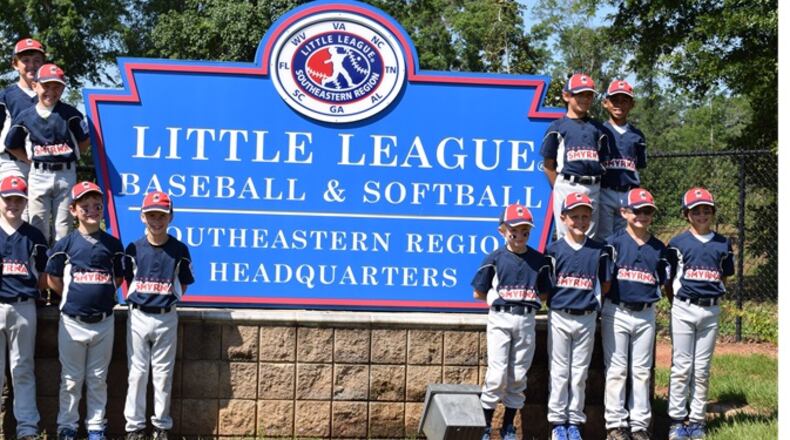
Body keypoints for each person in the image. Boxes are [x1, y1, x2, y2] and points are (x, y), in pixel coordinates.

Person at [46, 181, 124, 440]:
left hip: (104, 321)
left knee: (98, 379)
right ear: (73, 210)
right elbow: (52, 279)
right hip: (72, 321)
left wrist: (101, 296)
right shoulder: (65, 245)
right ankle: (67, 426)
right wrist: (73, 297)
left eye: (96, 205)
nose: (92, 210)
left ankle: (95, 427)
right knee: (70, 379)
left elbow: (119, 277)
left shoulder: (113, 245)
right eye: (85, 206)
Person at [471, 203, 552, 440]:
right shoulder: (495, 258)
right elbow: (479, 292)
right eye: (514, 230)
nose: (519, 235)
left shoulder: (539, 260)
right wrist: (498, 300)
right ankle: (485, 425)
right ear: (502, 230)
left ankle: (508, 425)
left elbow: (545, 293)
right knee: (496, 375)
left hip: (526, 318)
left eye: (524, 230)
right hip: (501, 317)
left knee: (518, 375)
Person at [665, 188, 734, 440]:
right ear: (686, 214)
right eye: (696, 211)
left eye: (706, 210)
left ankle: (696, 420)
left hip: (710, 309)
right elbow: (668, 280)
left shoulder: (723, 243)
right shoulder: (678, 243)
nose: (702, 215)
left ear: (713, 213)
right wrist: (677, 303)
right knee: (682, 366)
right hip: (684, 307)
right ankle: (676, 420)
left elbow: (723, 275)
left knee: (702, 368)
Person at [124, 191, 194, 440]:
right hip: (139, 314)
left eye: (162, 215)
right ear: (143, 217)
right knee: (137, 373)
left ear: (170, 217)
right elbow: (128, 280)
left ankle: (161, 426)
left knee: (163, 374)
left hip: (166, 315)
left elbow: (182, 284)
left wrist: (167, 299)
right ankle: (135, 427)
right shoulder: (133, 248)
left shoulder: (179, 250)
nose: (157, 220)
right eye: (152, 215)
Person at [602, 189, 670, 440]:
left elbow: (663, 281)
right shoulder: (614, 243)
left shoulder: (658, 247)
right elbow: (605, 281)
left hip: (645, 313)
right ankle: (615, 424)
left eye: (647, 211)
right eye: (637, 210)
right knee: (617, 369)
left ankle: (640, 425)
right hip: (617, 310)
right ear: (624, 212)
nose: (642, 215)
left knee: (642, 370)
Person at [545, 192, 613, 440]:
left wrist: (592, 305)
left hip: (585, 316)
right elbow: (547, 286)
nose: (580, 221)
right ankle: (557, 422)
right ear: (563, 218)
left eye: (585, 216)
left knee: (579, 372)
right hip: (560, 315)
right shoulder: (553, 250)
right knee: (560, 370)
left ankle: (574, 421)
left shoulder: (599, 250)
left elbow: (604, 285)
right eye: (575, 217)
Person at [4, 63, 91, 243]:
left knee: (63, 226)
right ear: (35, 85)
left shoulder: (70, 113)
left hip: (65, 174)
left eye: (57, 86)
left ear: (63, 88)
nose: (51, 91)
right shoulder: (25, 116)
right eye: (46, 85)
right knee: (37, 224)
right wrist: (28, 161)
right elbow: (11, 144)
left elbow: (86, 139)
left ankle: (59, 269)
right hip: (38, 175)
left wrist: (74, 156)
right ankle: (39, 269)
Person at [0, 176, 48, 439]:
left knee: (23, 368)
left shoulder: (35, 236)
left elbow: (43, 275)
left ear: (25, 201)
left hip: (24, 306)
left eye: (18, 199)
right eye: (8, 198)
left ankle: (27, 428)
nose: (13, 204)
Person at [541, 72, 609, 240]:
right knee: (567, 238)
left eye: (588, 95)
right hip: (567, 185)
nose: (584, 99)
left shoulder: (598, 129)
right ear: (566, 96)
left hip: (593, 187)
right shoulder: (558, 127)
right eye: (578, 94)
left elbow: (604, 162)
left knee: (590, 239)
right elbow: (548, 164)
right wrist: (559, 185)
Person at [597, 80, 647, 240]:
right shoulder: (599, 131)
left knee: (625, 237)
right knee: (604, 237)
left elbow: (638, 166)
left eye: (624, 100)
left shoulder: (637, 135)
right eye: (615, 100)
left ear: (632, 104)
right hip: (604, 190)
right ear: (605, 103)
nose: (619, 104)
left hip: (628, 193)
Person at [0, 38, 46, 181]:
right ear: (15, 64)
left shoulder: (51, 96)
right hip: (13, 164)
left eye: (37, 60)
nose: (32, 65)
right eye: (25, 60)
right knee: (12, 202)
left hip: (45, 166)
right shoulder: (6, 96)